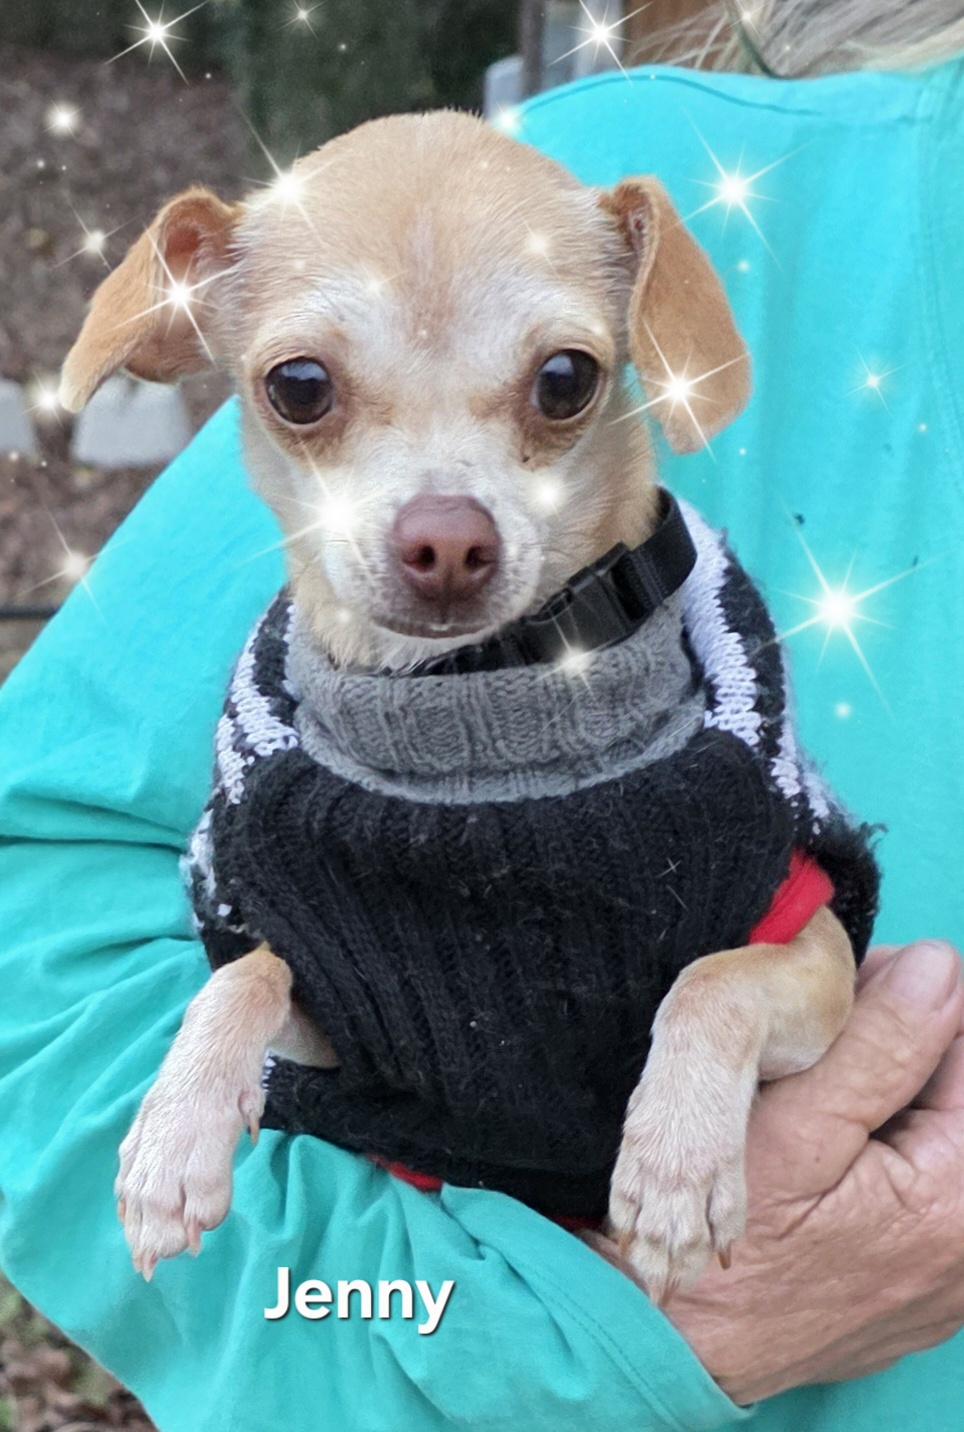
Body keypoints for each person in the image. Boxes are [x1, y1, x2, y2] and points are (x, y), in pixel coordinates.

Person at [0, 7, 962, 1429]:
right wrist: (571, 1350)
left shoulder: (702, 710)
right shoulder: (491, 201)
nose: (440, 520)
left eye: (556, 387)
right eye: (315, 395)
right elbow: (50, 907)